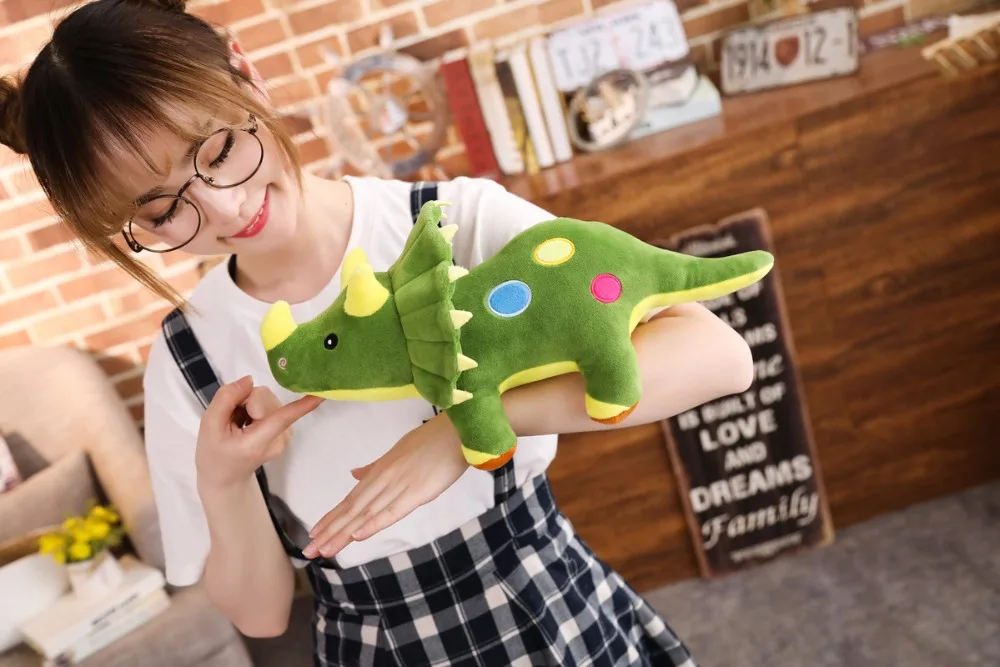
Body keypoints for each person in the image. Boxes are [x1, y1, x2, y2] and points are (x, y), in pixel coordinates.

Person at [0, 0, 755, 664]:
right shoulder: (189, 356)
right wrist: (223, 482)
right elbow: (261, 616)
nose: (225, 208)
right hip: (375, 647)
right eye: (164, 210)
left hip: (552, 607)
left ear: (245, 74)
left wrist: (462, 430)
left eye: (219, 150)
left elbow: (719, 356)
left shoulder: (451, 221)